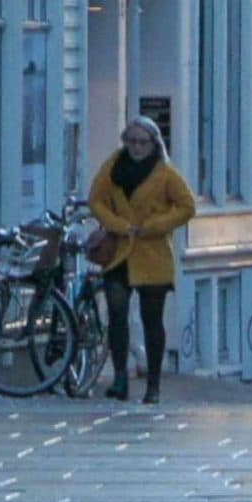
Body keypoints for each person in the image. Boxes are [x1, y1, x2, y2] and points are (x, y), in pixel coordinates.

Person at [88, 116, 197, 403]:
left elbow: (187, 206)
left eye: (141, 142)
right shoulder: (114, 165)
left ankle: (153, 385)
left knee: (152, 320)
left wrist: (155, 226)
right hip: (119, 250)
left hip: (152, 253)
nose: (135, 147)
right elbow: (95, 199)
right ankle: (121, 377)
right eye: (131, 141)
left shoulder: (164, 173)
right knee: (116, 309)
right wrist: (117, 224)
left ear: (153, 143)